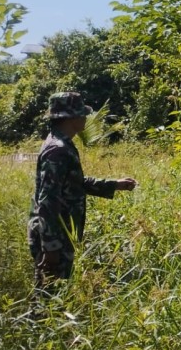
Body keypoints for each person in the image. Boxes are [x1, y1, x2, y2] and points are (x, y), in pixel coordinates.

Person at [27, 91, 137, 289]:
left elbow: (72, 182)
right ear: (71, 117)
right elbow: (47, 199)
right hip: (55, 236)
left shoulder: (60, 144)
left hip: (58, 235)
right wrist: (50, 247)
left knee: (55, 294)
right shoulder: (58, 150)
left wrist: (114, 184)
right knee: (48, 298)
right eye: (82, 113)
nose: (86, 117)